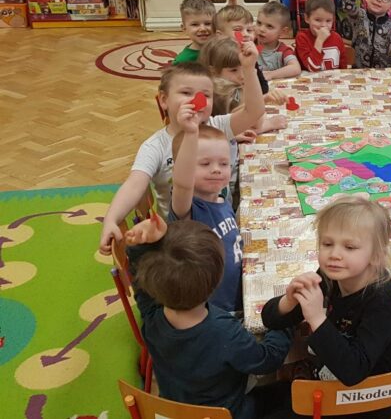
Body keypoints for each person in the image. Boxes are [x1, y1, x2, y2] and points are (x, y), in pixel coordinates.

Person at [126, 217, 291, 419]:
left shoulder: (151, 317)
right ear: (217, 281)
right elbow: (267, 360)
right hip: (228, 413)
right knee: (286, 392)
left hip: (177, 410)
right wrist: (284, 319)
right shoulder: (224, 333)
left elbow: (139, 281)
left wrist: (141, 245)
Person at [98, 58, 265, 254]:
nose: (196, 100)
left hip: (221, 221)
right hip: (180, 241)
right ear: (164, 100)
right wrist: (111, 220)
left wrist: (249, 68)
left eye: (206, 95)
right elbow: (135, 185)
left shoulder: (216, 126)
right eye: (186, 93)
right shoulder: (155, 146)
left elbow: (254, 111)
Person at [261, 196, 391, 419]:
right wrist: (288, 302)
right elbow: (271, 321)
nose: (334, 254)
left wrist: (317, 319)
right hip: (326, 385)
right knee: (257, 402)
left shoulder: (382, 302)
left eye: (349, 247)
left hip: (361, 404)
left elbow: (353, 371)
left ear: (376, 256)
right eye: (327, 244)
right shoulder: (330, 277)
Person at [167, 108, 243, 312]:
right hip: (214, 309)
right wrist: (191, 133)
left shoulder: (222, 200)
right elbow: (183, 184)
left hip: (237, 292)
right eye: (205, 163)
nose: (216, 169)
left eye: (224, 163)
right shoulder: (188, 209)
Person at [214, 4, 271, 95]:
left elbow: (263, 89)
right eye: (237, 30)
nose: (246, 34)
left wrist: (251, 65)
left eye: (249, 30)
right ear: (220, 35)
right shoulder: (217, 56)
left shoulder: (248, 55)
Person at [295, 0, 347, 71]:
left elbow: (343, 67)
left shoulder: (337, 37)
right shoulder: (302, 38)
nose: (323, 25)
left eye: (328, 21)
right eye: (318, 20)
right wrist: (320, 40)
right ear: (307, 18)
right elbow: (312, 68)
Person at [256, 1, 302, 80]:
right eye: (259, 23)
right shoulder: (250, 44)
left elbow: (296, 68)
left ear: (282, 32)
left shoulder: (283, 50)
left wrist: (270, 74)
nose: (261, 29)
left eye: (269, 26)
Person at [172, 0, 216, 65]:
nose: (202, 29)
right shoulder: (182, 61)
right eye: (195, 24)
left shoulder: (222, 47)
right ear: (184, 28)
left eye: (208, 23)